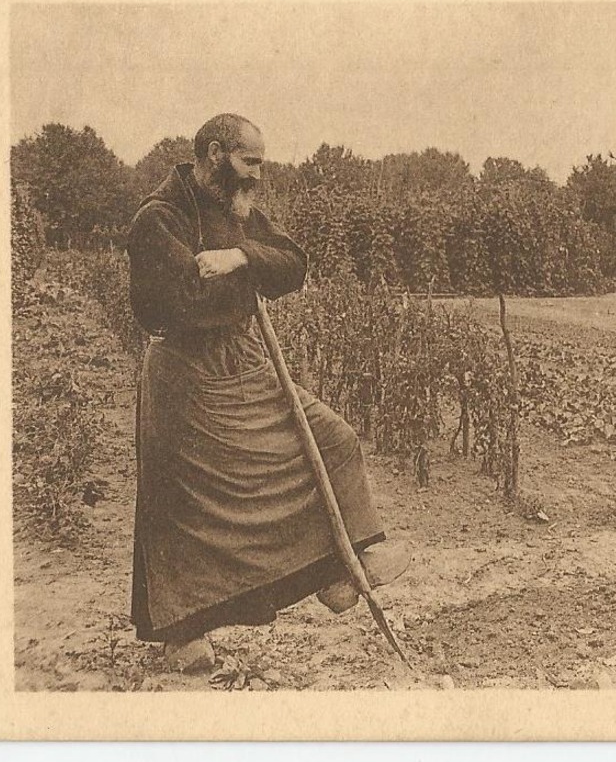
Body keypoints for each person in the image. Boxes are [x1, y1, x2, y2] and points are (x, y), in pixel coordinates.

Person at [126, 113, 409, 672]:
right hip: (185, 371)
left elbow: (294, 265)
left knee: (332, 437)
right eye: (249, 162)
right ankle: (183, 635)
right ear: (215, 154)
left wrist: (241, 257)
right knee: (181, 504)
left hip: (244, 359)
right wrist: (249, 279)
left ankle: (338, 567)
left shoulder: (240, 211)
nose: (258, 174)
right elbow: (181, 301)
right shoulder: (158, 219)